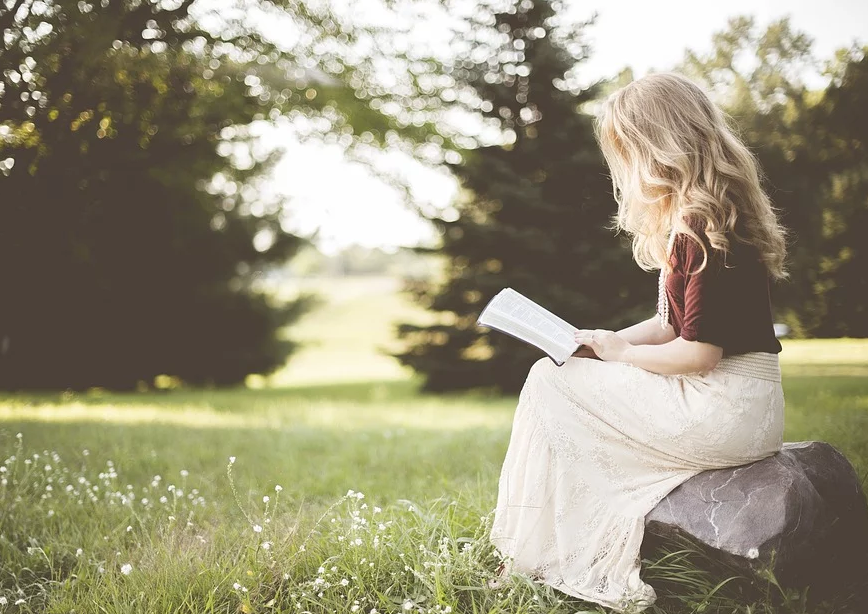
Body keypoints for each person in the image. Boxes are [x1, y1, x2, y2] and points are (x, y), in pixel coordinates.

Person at [487, 72, 789, 613]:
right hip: (741, 405)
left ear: (660, 146)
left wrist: (621, 357)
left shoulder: (702, 224)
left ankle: (534, 552)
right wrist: (599, 341)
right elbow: (669, 324)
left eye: (628, 151)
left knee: (546, 381)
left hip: (723, 406)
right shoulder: (705, 214)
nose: (625, 168)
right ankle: (538, 547)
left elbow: (698, 354)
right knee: (559, 374)